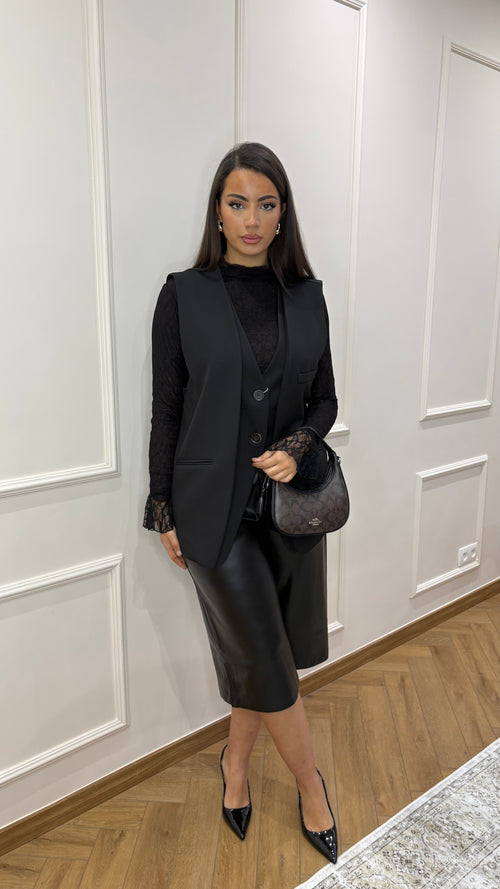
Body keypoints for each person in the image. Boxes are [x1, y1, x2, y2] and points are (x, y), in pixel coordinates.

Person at [144, 142, 338, 863]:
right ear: (218, 212)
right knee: (270, 661)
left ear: (283, 214)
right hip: (210, 512)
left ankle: (235, 762)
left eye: (265, 204)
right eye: (237, 203)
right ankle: (312, 787)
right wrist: (161, 505)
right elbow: (167, 408)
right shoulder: (183, 295)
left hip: (291, 514)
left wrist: (298, 443)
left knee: (264, 657)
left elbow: (327, 400)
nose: (251, 219)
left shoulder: (307, 296)